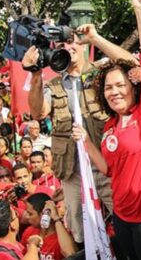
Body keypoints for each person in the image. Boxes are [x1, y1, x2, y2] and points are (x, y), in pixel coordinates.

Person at [25, 28, 129, 244]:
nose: (68, 48)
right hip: (73, 171)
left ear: (83, 45)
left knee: (124, 219)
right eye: (62, 45)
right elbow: (38, 112)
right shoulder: (53, 85)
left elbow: (130, 66)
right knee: (80, 230)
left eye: (71, 43)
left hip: (107, 166)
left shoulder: (102, 75)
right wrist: (35, 74)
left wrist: (96, 38)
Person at [72, 57, 141, 260]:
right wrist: (86, 141)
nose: (114, 92)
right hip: (121, 216)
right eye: (108, 88)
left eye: (120, 85)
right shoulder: (110, 127)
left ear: (133, 87)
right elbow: (108, 169)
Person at [21, 193, 78, 260]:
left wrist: (56, 218)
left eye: (30, 214)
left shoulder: (61, 239)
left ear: (44, 214)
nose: (27, 217)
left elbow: (70, 254)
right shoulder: (29, 232)